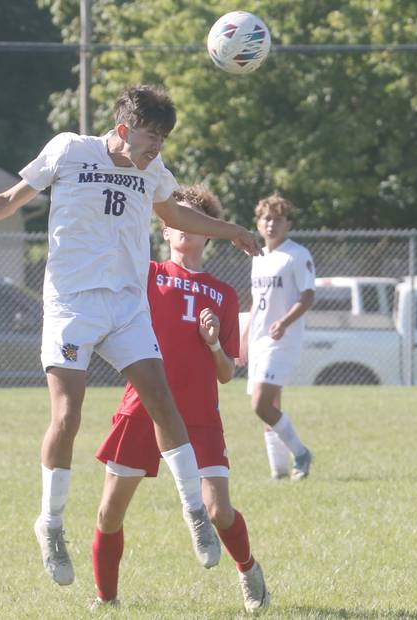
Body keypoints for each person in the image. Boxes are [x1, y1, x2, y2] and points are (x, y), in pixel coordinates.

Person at [0, 85, 262, 587]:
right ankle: (49, 524)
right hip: (72, 305)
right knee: (68, 414)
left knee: (162, 400)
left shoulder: (154, 173)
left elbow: (176, 214)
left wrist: (234, 231)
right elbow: (9, 201)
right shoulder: (69, 150)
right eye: (150, 136)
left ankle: (194, 513)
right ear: (122, 129)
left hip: (125, 306)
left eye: (162, 138)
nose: (156, 147)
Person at [91, 185, 269, 613]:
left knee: (217, 510)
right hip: (142, 408)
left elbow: (227, 373)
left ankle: (248, 570)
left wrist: (212, 344)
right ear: (166, 231)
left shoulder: (222, 294)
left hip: (198, 417)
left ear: (207, 233)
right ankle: (106, 599)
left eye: (192, 222)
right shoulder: (147, 274)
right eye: (175, 221)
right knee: (109, 515)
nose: (181, 228)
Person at [238, 194, 315, 481]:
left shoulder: (297, 255)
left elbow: (308, 296)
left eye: (278, 219)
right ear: (258, 224)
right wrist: (244, 338)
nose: (271, 224)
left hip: (282, 340)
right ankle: (279, 472)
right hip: (259, 340)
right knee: (271, 408)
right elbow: (257, 305)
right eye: (266, 219)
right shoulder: (259, 258)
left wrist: (284, 322)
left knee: (260, 404)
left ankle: (301, 452)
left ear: (288, 224)